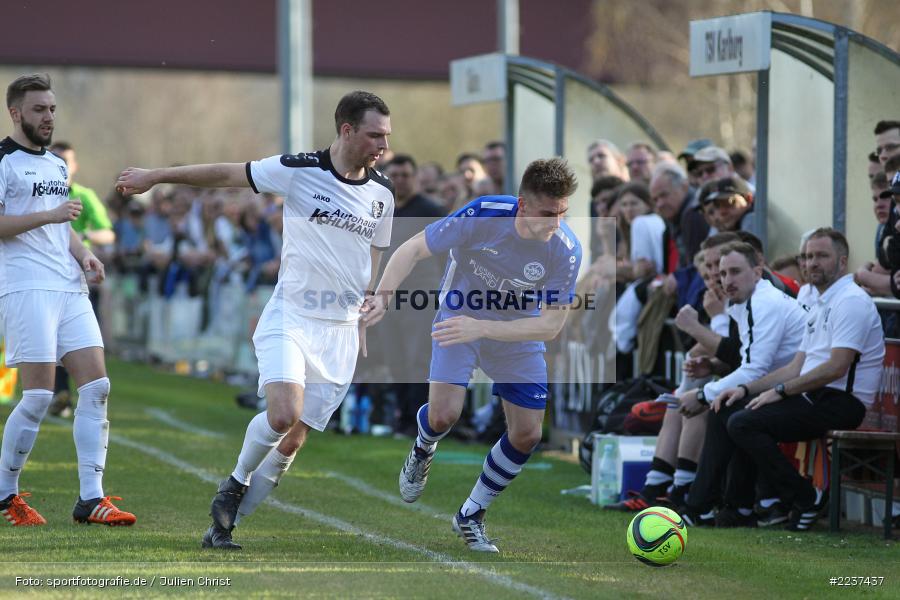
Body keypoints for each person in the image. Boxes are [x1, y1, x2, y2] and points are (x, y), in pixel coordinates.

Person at [117, 90, 395, 549]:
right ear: (347, 130)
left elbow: (376, 252)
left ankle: (222, 526)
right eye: (375, 135)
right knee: (283, 413)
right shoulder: (300, 170)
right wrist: (156, 176)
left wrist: (371, 304)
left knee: (292, 443)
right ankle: (235, 482)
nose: (383, 144)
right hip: (293, 315)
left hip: (341, 329)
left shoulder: (382, 192)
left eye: (386, 135)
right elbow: (228, 174)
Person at [364, 158, 581, 553]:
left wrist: (484, 328)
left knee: (528, 434)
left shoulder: (565, 249)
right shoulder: (483, 214)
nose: (556, 223)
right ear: (522, 205)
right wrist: (382, 297)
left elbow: (550, 326)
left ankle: (471, 515)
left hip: (516, 334)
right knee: (444, 415)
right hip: (458, 318)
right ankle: (423, 446)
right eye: (548, 214)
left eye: (563, 213)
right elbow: (412, 248)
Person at [0, 73, 135, 526]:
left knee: (97, 387)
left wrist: (84, 254)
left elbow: (62, 228)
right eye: (39, 109)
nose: (48, 117)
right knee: (38, 396)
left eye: (53, 109)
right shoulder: (3, 161)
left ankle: (91, 499)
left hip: (67, 286)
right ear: (15, 112)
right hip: (27, 287)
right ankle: (5, 495)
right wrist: (51, 214)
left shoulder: (57, 165)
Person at [715, 228, 884, 531]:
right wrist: (744, 388)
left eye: (821, 255)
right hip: (815, 395)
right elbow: (796, 367)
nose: (811, 263)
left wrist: (780, 391)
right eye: (807, 256)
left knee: (745, 422)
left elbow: (836, 367)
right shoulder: (819, 303)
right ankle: (739, 507)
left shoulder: (851, 301)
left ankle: (805, 497)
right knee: (738, 410)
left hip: (842, 402)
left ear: (842, 261)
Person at [679, 242, 807, 527]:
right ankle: (732, 506)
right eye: (723, 273)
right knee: (728, 407)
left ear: (757, 271)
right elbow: (747, 360)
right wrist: (712, 369)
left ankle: (704, 504)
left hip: (807, 391)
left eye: (735, 271)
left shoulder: (765, 302)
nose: (727, 280)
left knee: (728, 410)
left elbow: (755, 368)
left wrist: (701, 394)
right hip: (783, 386)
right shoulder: (747, 303)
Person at [47, 141, 116, 417]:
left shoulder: (84, 196)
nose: (62, 165)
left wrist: (84, 241)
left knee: (84, 339)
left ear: (74, 166)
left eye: (67, 160)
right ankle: (59, 392)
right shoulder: (41, 191)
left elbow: (108, 233)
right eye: (57, 159)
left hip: (80, 277)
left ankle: (78, 391)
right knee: (50, 337)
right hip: (45, 276)